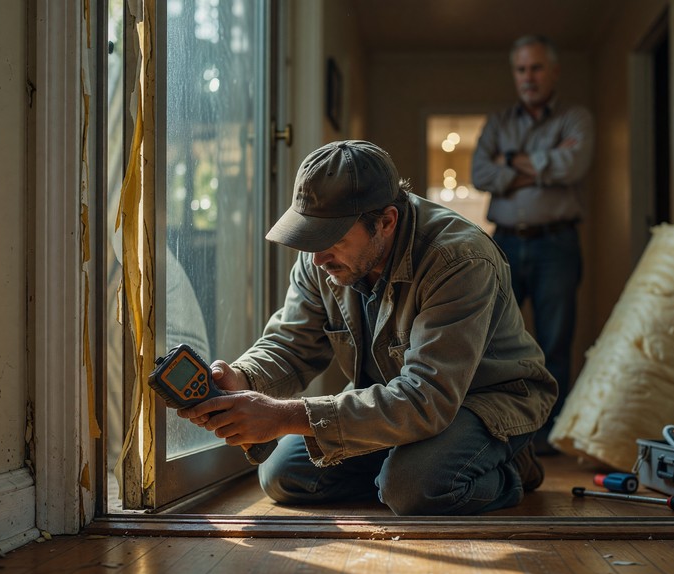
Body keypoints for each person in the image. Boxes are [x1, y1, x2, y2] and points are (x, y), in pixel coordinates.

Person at [177, 140, 557, 516]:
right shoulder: (320, 259)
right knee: (283, 475)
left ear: (386, 221)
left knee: (413, 488)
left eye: (332, 240)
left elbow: (428, 398)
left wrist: (282, 416)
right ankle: (404, 461)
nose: (317, 258)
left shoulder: (459, 259)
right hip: (398, 401)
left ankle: (506, 466)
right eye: (309, 237)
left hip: (485, 399)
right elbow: (291, 345)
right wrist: (242, 379)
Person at [471, 34, 594, 455]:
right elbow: (480, 173)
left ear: (553, 71)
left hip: (556, 244)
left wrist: (510, 161)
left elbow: (573, 164)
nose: (528, 77)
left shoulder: (575, 118)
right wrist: (544, 165)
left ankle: (546, 438)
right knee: (492, 341)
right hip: (502, 244)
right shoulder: (498, 122)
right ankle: (499, 430)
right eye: (522, 69)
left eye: (536, 68)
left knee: (554, 342)